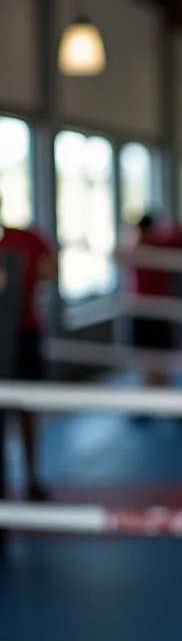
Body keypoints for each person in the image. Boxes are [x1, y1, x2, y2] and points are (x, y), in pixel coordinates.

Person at [0, 194, 56, 501]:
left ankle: (31, 478)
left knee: (26, 407)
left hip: (22, 335)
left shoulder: (26, 239)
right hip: (20, 335)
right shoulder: (26, 239)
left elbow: (50, 271)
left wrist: (19, 279)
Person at [127, 212, 179, 388]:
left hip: (152, 309)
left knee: (155, 357)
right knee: (151, 357)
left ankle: (156, 392)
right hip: (148, 309)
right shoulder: (148, 247)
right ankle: (155, 392)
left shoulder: (144, 247)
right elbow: (176, 236)